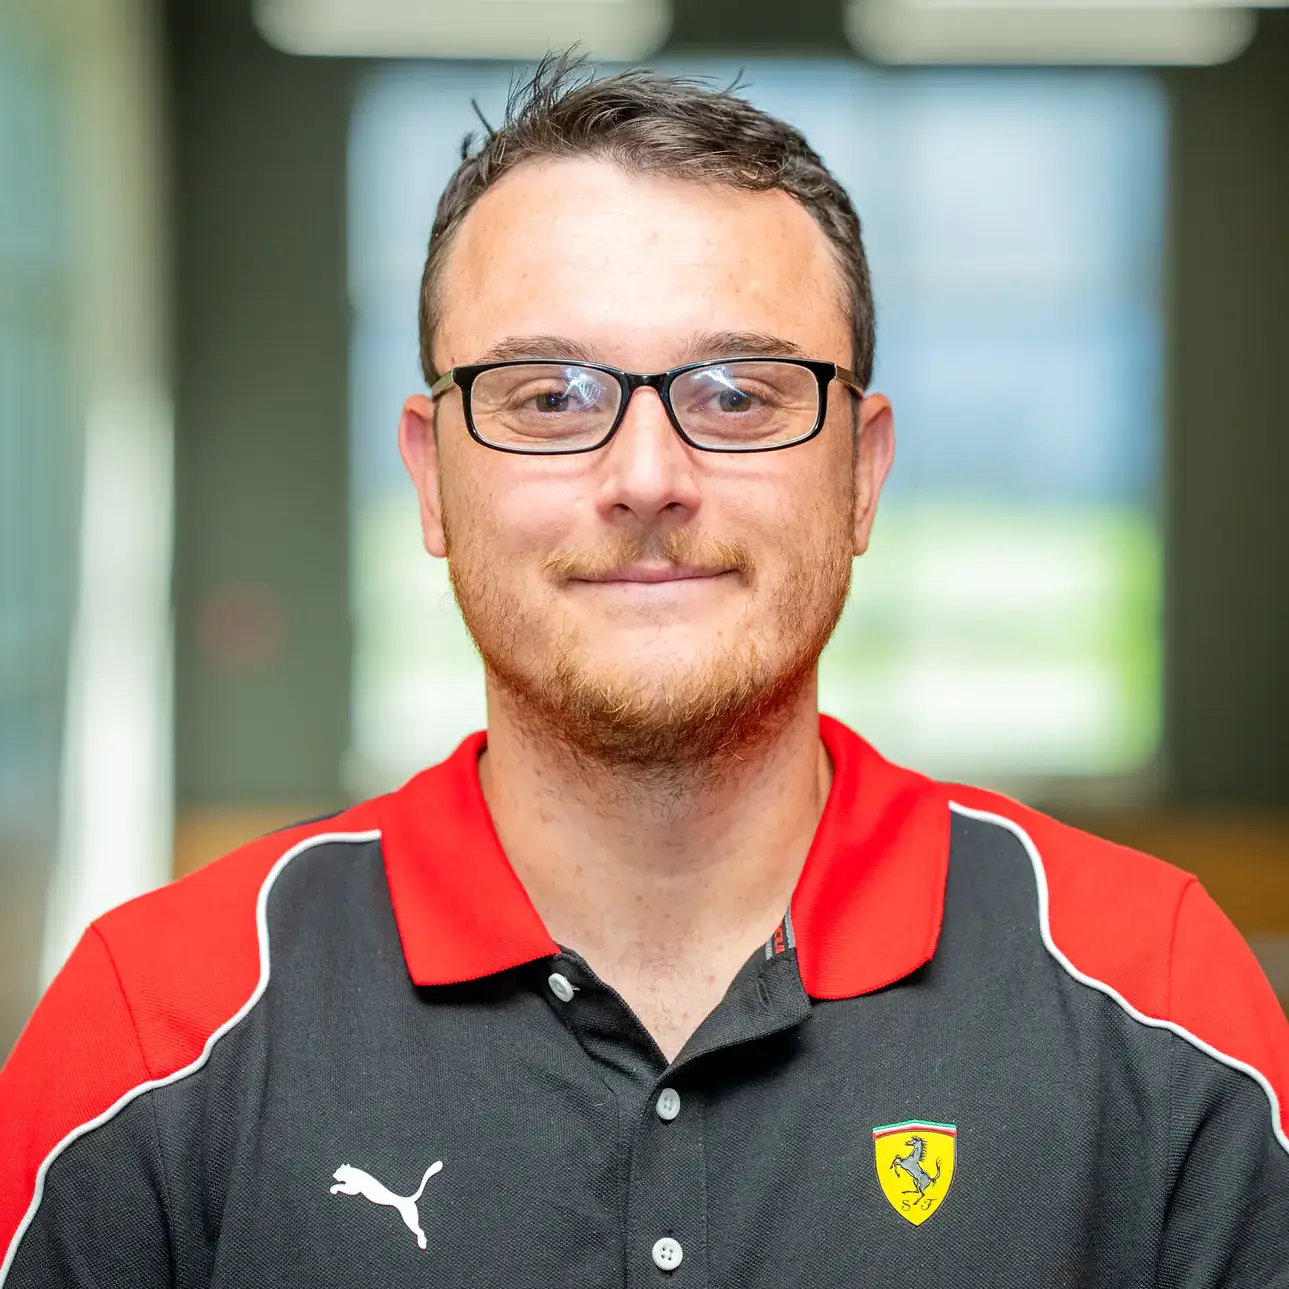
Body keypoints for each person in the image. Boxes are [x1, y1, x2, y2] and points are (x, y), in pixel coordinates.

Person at [2, 55, 1287, 1288]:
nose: (647, 477)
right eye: (549, 396)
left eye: (737, 393)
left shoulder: (1156, 992)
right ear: (431, 475)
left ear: (861, 471)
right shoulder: (154, 1022)